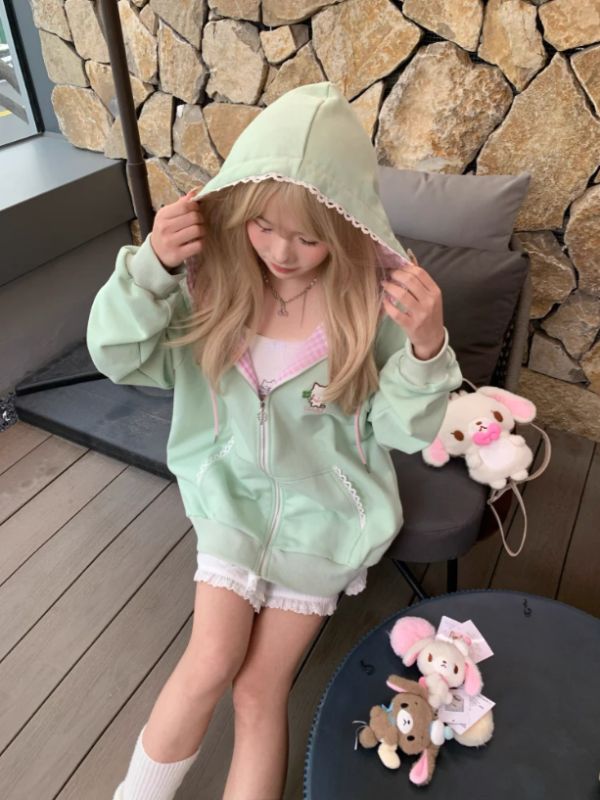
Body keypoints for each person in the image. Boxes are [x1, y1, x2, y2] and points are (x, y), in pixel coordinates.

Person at [87, 82, 462, 800]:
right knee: (209, 661)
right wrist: (150, 270)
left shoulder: (368, 307)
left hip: (328, 522)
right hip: (231, 503)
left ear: (347, 227)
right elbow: (117, 356)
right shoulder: (211, 285)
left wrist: (425, 348)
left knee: (259, 690)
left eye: (308, 237)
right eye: (263, 225)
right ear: (239, 207)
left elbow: (402, 429)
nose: (282, 251)